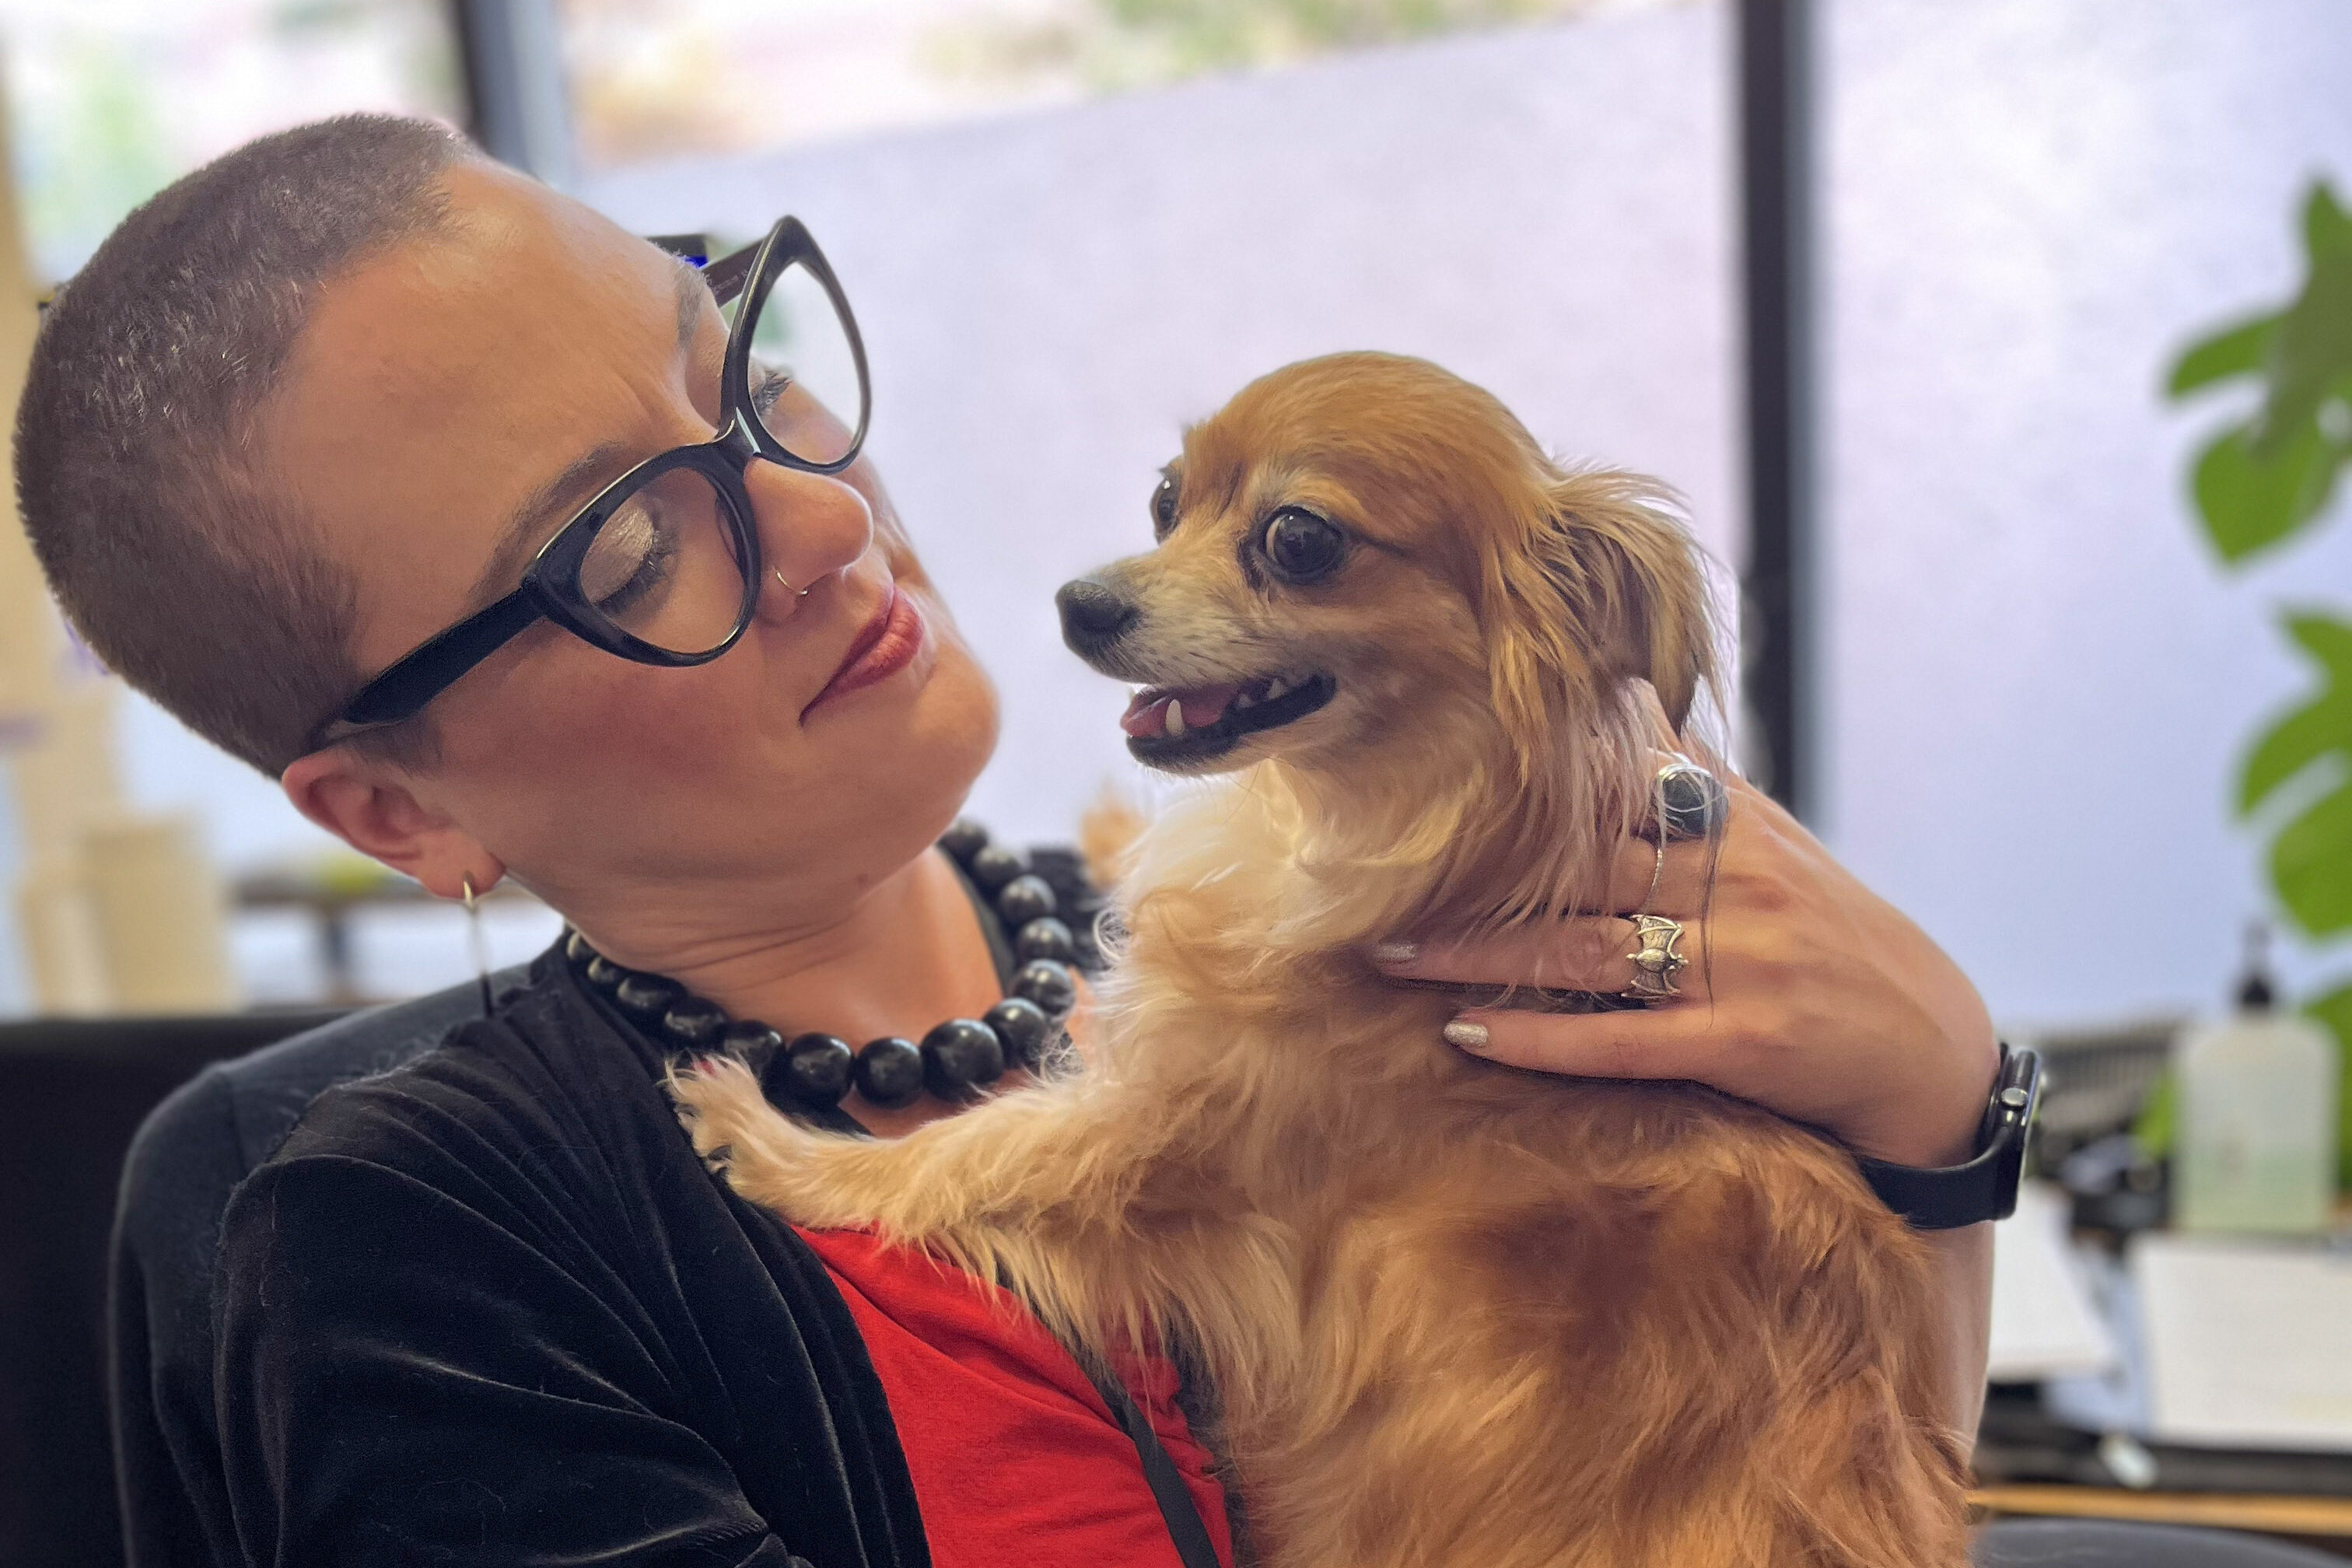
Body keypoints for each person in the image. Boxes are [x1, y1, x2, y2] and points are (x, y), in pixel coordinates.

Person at [17, 116, 1997, 1568]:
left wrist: (1939, 1127)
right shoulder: (415, 1254)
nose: (819, 524)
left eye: (746, 383)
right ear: (402, 809)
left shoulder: (1211, 914)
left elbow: (1806, 1492)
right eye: (623, 546)